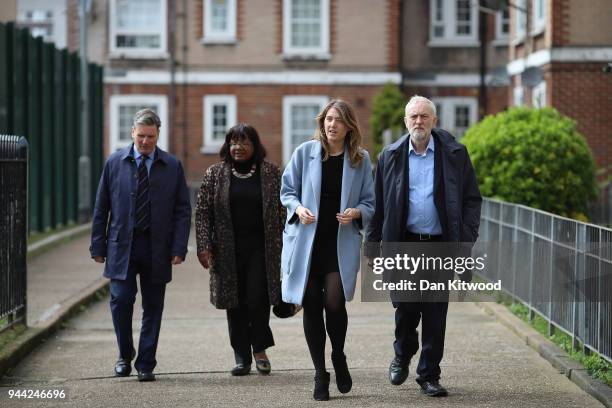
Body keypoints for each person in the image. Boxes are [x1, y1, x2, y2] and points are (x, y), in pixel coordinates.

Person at [365, 95, 482, 397]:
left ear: (434, 121)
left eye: (424, 116)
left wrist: (466, 237)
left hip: (440, 246)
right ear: (406, 121)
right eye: (414, 116)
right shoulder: (390, 156)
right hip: (403, 245)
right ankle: (402, 355)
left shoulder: (454, 153)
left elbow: (471, 199)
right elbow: (378, 206)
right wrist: (371, 245)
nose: (419, 122)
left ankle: (429, 374)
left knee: (434, 313)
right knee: (405, 309)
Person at [281, 99, 375, 401]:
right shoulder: (305, 153)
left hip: (340, 242)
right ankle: (320, 373)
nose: (331, 125)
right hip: (307, 243)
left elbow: (370, 202)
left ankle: (338, 355)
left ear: (349, 126)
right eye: (328, 119)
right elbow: (287, 191)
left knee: (334, 302)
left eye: (337, 120)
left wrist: (356, 212)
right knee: (311, 304)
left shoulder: (360, 159)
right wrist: (299, 208)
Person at [90, 109, 191, 382]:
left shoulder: (171, 166)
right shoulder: (114, 163)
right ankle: (125, 355)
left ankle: (146, 363)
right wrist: (97, 246)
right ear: (132, 133)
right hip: (122, 245)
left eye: (151, 136)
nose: (145, 141)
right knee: (120, 301)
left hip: (157, 247)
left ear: (158, 135)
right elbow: (102, 207)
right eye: (141, 136)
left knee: (153, 306)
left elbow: (182, 210)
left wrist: (179, 247)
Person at [195, 123, 284, 377]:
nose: (238, 147)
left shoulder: (270, 173)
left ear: (255, 146)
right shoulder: (215, 173)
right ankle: (241, 357)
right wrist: (204, 245)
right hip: (226, 249)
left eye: (244, 142)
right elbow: (202, 212)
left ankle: (260, 350)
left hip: (262, 248)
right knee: (234, 303)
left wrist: (288, 247)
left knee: (258, 298)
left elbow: (282, 211)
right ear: (227, 146)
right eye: (234, 142)